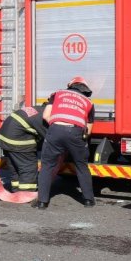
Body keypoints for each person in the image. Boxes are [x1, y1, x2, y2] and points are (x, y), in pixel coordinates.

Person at [34, 77, 96, 209]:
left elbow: (45, 115)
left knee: (47, 166)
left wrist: (57, 125)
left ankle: (42, 202)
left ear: (70, 86)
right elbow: (88, 130)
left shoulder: (58, 94)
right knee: (81, 166)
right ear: (85, 89)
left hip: (55, 130)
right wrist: (80, 139)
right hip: (76, 132)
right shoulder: (89, 102)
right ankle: (89, 200)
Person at [0, 103, 48, 194]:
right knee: (28, 167)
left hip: (5, 139)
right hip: (18, 141)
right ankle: (26, 193)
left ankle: (16, 190)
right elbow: (50, 138)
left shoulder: (37, 109)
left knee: (15, 167)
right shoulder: (44, 117)